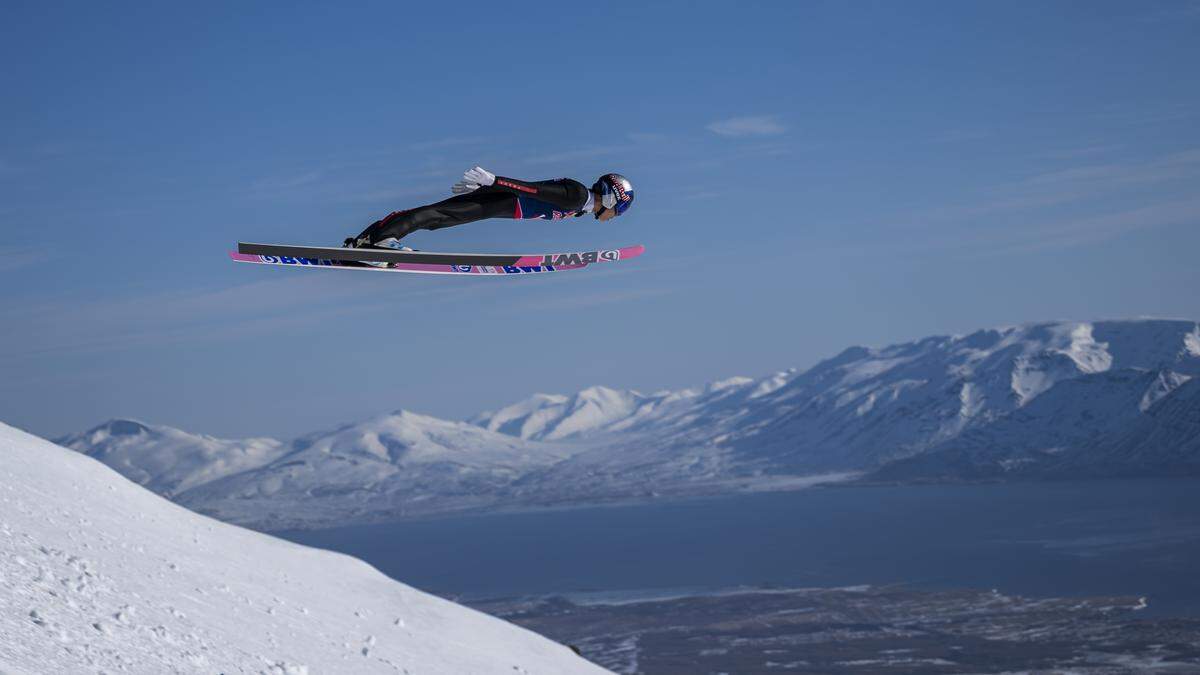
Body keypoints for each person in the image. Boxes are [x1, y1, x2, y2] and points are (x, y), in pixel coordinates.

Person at [344, 167, 635, 251]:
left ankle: (366, 243)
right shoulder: (576, 195)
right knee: (436, 215)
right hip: (503, 201)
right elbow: (532, 189)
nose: (615, 217)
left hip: (500, 202)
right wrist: (492, 182)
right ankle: (380, 244)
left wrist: (486, 188)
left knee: (436, 218)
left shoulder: (580, 204)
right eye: (618, 210)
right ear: (610, 198)